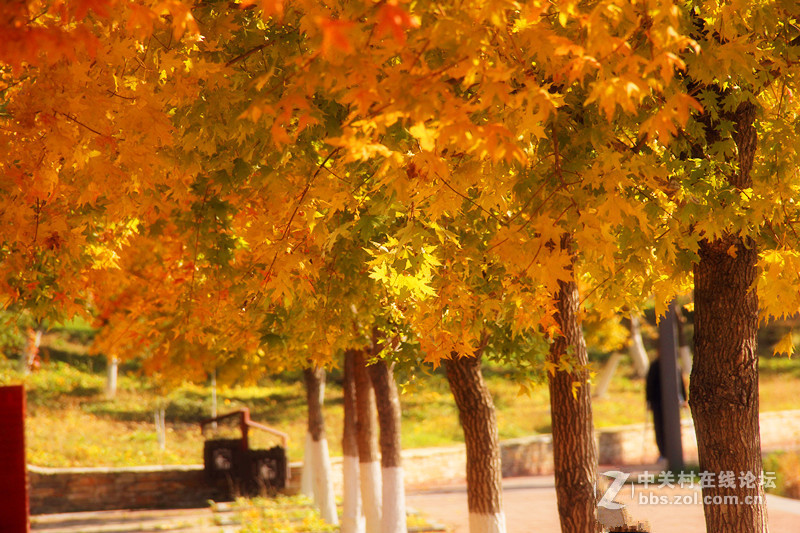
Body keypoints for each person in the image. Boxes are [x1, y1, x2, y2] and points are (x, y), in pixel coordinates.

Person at [645, 357, 687, 464]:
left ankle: (674, 452)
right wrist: (649, 399)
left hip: (672, 402)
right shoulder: (655, 365)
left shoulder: (675, 364)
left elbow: (680, 382)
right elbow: (650, 383)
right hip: (658, 402)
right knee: (659, 427)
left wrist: (684, 399)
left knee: (674, 428)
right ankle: (663, 453)